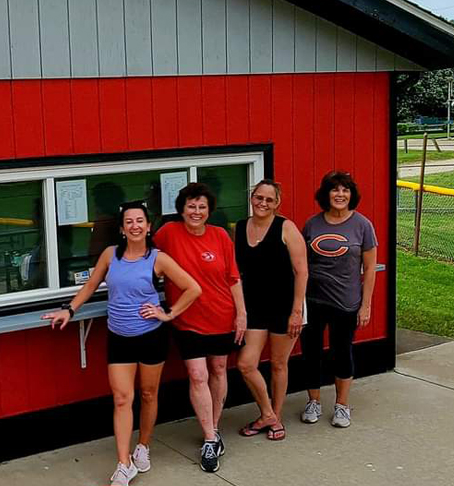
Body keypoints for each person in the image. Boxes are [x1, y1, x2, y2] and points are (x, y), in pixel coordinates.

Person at [43, 200, 201, 486]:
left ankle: (143, 445)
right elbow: (90, 286)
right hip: (119, 338)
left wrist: (168, 314)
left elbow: (193, 288)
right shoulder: (109, 255)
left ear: (148, 226)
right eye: (129, 222)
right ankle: (123, 463)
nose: (135, 226)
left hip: (151, 336)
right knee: (121, 399)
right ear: (122, 228)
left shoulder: (158, 259)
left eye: (140, 221)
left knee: (149, 395)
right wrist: (69, 309)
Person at [153, 183, 246, 473]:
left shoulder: (220, 236)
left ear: (209, 210)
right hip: (186, 318)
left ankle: (214, 427)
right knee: (197, 374)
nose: (196, 212)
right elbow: (142, 253)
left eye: (202, 207)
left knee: (218, 369)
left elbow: (233, 278)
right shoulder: (167, 233)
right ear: (181, 208)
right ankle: (209, 438)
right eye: (191, 206)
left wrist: (241, 313)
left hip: (221, 315)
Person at [300, 171, 377, 428]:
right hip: (313, 300)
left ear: (351, 195)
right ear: (326, 194)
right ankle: (313, 401)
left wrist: (365, 305)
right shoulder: (312, 224)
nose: (340, 194)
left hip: (346, 302)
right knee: (310, 352)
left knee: (341, 352)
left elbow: (369, 269)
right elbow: (301, 265)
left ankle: (342, 406)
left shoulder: (362, 226)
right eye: (335, 190)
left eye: (345, 190)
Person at [234, 180, 308, 441]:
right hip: (254, 307)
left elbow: (301, 271)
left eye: (269, 199)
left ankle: (275, 417)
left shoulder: (285, 228)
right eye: (258, 198)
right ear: (251, 198)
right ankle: (268, 414)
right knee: (246, 364)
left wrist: (297, 311)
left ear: (277, 203)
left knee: (278, 364)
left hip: (285, 307)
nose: (262, 203)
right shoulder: (241, 227)